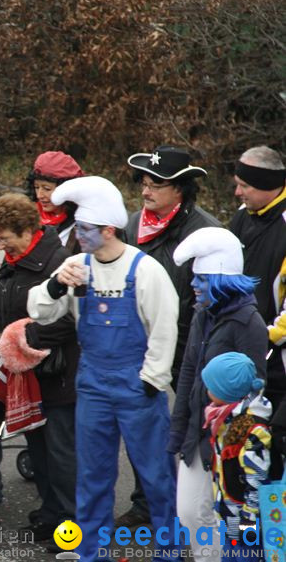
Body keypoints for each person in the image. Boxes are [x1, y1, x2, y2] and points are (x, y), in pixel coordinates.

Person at [27, 176, 180, 562]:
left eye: (84, 230)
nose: (77, 236)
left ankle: (169, 550)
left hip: (137, 385)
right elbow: (38, 311)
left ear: (109, 230)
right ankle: (90, 551)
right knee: (93, 476)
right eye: (77, 228)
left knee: (157, 476)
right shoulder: (76, 265)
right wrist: (56, 286)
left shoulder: (145, 270)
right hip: (92, 383)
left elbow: (165, 327)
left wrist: (153, 379)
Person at [115, 145, 222, 529]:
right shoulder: (131, 226)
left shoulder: (206, 232)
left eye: (156, 184)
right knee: (144, 427)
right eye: (144, 183)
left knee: (196, 429)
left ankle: (206, 508)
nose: (146, 191)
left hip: (193, 345)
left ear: (180, 190)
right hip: (142, 344)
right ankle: (147, 504)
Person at [167, 227, 268, 562]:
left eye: (200, 279)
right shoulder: (202, 314)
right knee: (188, 514)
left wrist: (234, 449)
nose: (193, 286)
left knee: (218, 520)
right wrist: (178, 430)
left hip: (226, 443)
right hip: (196, 431)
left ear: (221, 281)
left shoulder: (248, 324)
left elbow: (254, 389)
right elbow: (187, 375)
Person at [0, 194, 78, 541]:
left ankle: (73, 523)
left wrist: (25, 336)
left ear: (26, 231)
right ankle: (50, 514)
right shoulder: (14, 259)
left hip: (57, 373)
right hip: (27, 375)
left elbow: (71, 318)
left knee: (62, 453)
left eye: (4, 236)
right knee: (38, 449)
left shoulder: (59, 261)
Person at [229, 146, 286, 464]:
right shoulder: (242, 216)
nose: (238, 193)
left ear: (267, 184)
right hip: (243, 350)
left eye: (244, 186)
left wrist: (262, 337)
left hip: (275, 359)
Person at [201, 352, 270, 562]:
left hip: (246, 522)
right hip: (227, 515)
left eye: (212, 386)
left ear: (227, 392)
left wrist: (249, 522)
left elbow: (256, 479)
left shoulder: (253, 429)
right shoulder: (224, 419)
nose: (207, 390)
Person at [25, 150, 84, 252]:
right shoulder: (27, 215)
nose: (39, 195)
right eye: (36, 187)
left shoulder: (82, 225)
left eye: (47, 189)